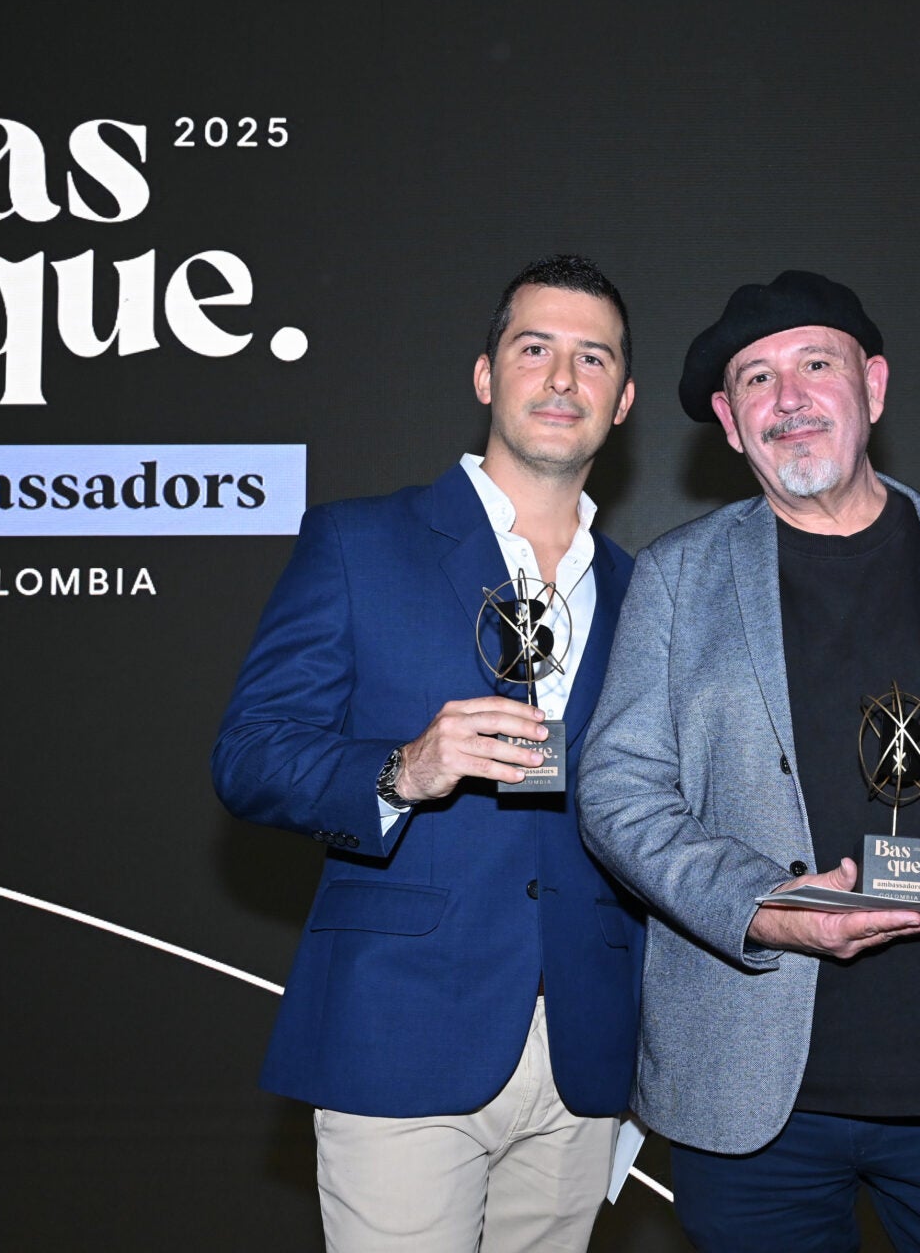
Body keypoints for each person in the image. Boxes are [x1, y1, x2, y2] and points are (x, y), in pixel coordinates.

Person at [578, 270, 920, 1250]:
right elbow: (617, 787)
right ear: (728, 418)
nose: (788, 397)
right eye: (756, 378)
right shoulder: (674, 577)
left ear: (873, 386)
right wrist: (759, 904)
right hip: (753, 1102)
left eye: (816, 365)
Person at [213, 255, 643, 1252]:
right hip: (401, 1027)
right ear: (486, 375)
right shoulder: (361, 543)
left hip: (585, 1049)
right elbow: (250, 752)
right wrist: (402, 767)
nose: (563, 378)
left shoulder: (643, 589)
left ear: (622, 402)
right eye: (535, 348)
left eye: (593, 358)